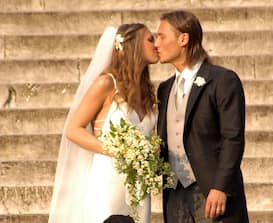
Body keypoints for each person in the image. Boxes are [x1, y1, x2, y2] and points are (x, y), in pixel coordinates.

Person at [48, 23, 158, 223]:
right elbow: (74, 129)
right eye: (150, 39)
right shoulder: (107, 84)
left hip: (138, 186)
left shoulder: (147, 91)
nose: (156, 44)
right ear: (133, 45)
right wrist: (117, 149)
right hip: (108, 180)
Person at [155, 10, 249, 223]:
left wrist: (220, 187)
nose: (156, 44)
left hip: (211, 193)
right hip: (174, 195)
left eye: (162, 36)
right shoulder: (164, 88)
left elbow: (232, 138)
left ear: (183, 38)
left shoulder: (222, 80)